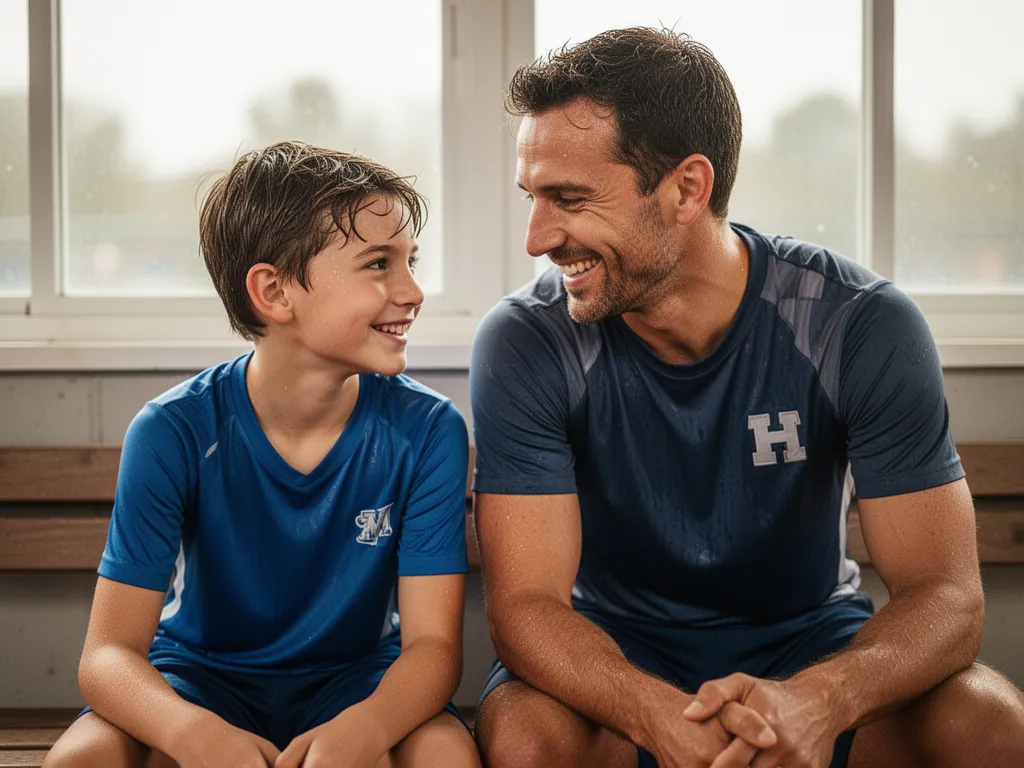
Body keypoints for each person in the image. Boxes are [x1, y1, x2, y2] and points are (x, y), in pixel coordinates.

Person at [469, 27, 1024, 768]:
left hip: (812, 649)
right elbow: (525, 609)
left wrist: (821, 700)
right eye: (532, 198)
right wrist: (657, 715)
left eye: (568, 199)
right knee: (523, 733)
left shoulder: (858, 322)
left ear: (686, 189)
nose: (538, 237)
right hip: (619, 664)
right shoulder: (525, 339)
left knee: (988, 720)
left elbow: (948, 600)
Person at [44, 142, 481, 768]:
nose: (412, 291)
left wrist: (365, 731)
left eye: (411, 261)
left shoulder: (429, 429)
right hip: (197, 682)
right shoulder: (173, 430)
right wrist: (193, 735)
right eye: (379, 264)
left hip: (358, 684)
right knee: (77, 762)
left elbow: (434, 649)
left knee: (446, 759)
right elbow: (107, 657)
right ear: (274, 292)